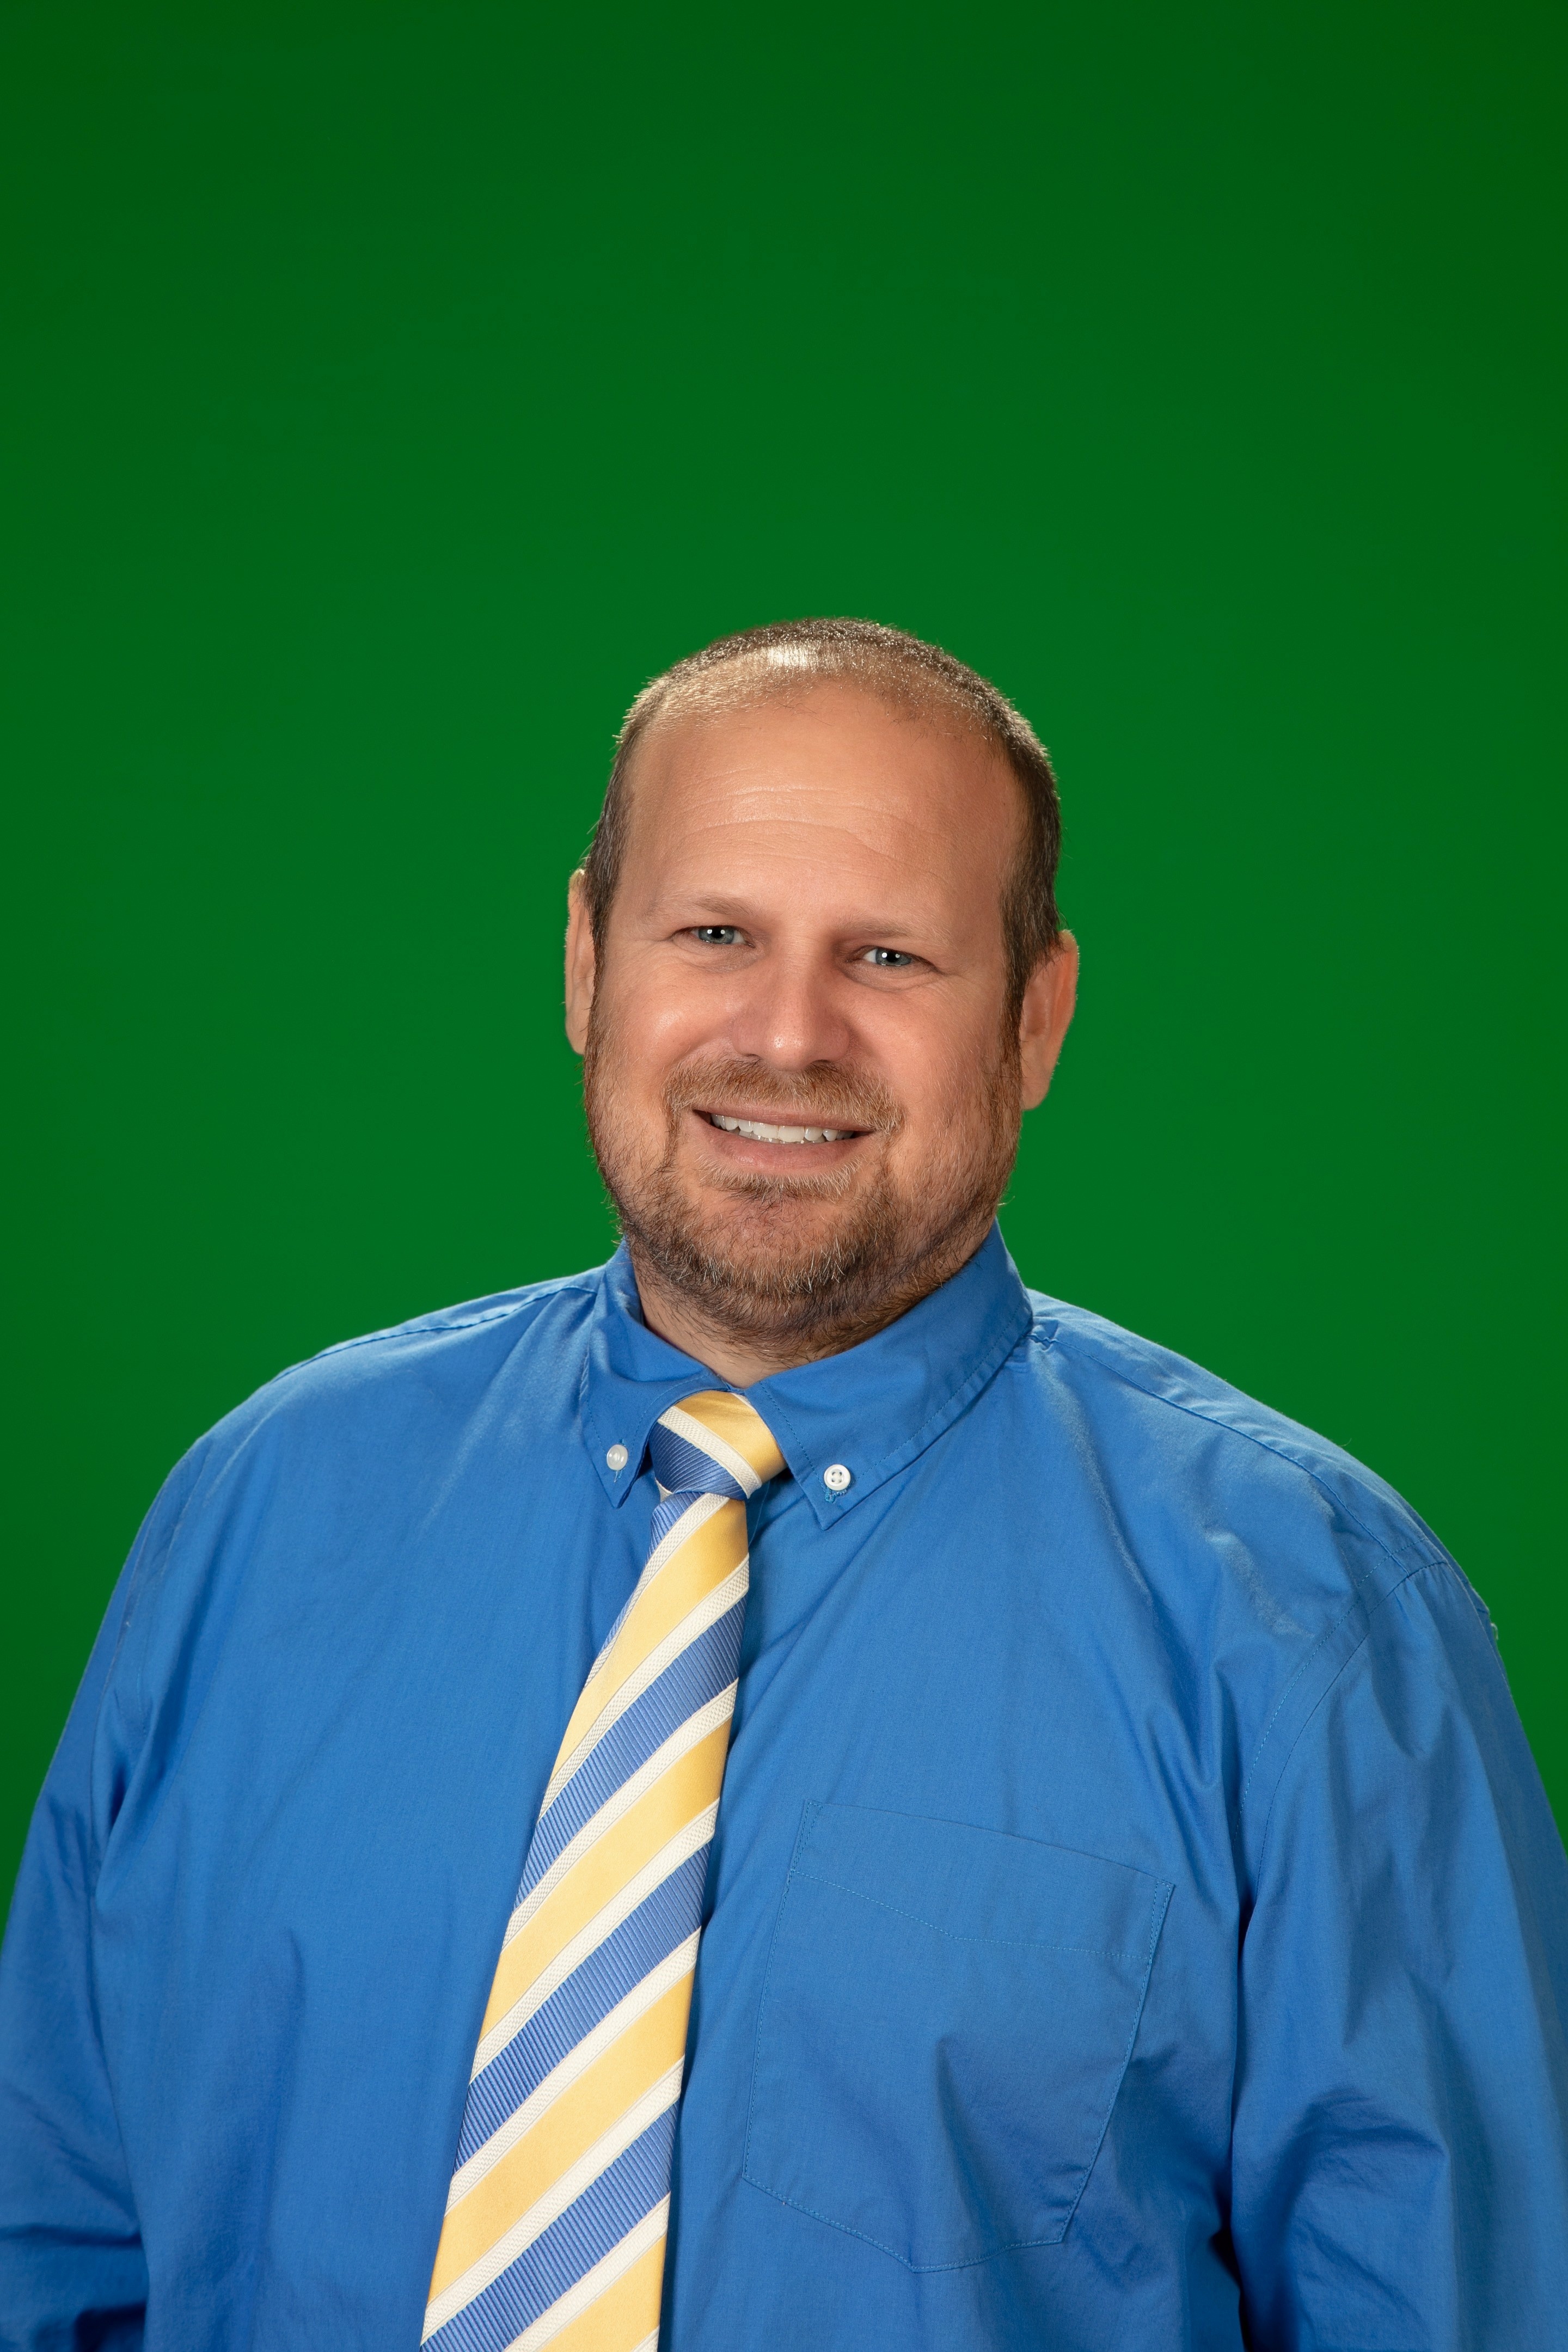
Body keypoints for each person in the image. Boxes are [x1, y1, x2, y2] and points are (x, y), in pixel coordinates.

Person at [2, 617, 1565, 2352]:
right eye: (715, 934)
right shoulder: (261, 1512)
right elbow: (55, 2246)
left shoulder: (1311, 1618)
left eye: (888, 955)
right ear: (588, 959)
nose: (788, 1034)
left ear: (1037, 1017)